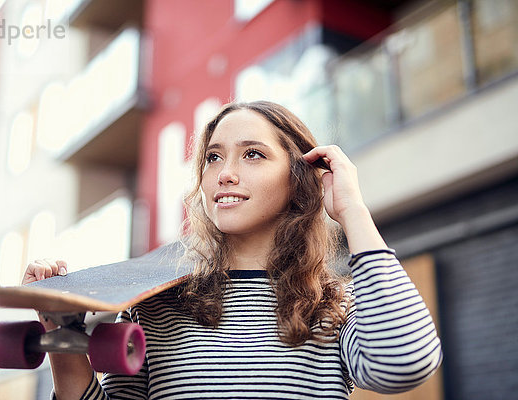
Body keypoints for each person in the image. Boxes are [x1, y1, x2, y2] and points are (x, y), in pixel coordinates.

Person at [23, 101, 442, 400]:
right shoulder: (154, 308)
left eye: (253, 155)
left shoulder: (331, 306)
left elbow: (406, 363)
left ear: (298, 177)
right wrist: (64, 339)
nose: (225, 174)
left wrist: (351, 209)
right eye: (213, 158)